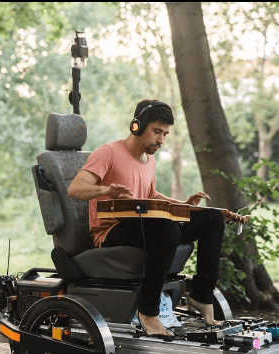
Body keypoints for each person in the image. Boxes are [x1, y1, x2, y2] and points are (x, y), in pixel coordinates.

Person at [67, 99, 225, 337]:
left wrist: (182, 204)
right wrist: (106, 190)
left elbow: (151, 195)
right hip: (111, 230)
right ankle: (148, 312)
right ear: (136, 127)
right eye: (156, 131)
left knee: (212, 218)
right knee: (167, 229)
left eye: (165, 134)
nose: (161, 140)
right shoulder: (108, 152)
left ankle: (201, 296)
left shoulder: (149, 160)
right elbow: (75, 189)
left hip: (145, 225)